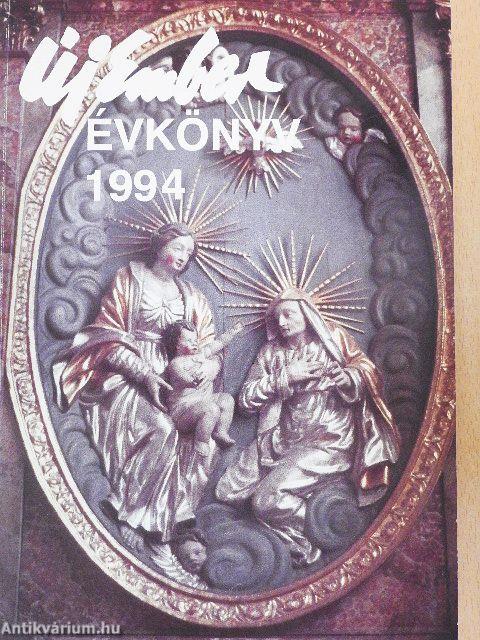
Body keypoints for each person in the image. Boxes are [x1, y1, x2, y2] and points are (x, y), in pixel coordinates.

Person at [53, 223, 220, 551]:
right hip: (129, 375)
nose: (182, 257)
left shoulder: (193, 297)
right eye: (177, 248)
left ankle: (174, 519)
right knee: (160, 428)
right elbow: (108, 336)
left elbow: (212, 347)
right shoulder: (129, 280)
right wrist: (144, 374)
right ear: (160, 246)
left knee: (204, 440)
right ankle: (132, 514)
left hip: (178, 384)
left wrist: (207, 369)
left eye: (188, 252)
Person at [216, 288, 400, 566]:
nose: (282, 322)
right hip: (283, 438)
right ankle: (294, 526)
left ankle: (324, 531)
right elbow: (246, 400)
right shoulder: (272, 352)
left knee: (266, 500)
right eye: (277, 317)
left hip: (329, 439)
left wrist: (348, 377)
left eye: (288, 314)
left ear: (307, 314)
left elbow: (365, 369)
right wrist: (285, 376)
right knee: (227, 491)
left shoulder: (332, 339)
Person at [164, 320, 244, 454]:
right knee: (211, 409)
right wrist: (191, 381)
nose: (194, 343)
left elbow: (218, 343)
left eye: (195, 340)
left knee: (227, 400)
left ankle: (220, 431)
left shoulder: (200, 354)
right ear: (177, 345)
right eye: (189, 341)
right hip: (183, 412)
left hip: (203, 402)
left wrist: (232, 332)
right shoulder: (176, 363)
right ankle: (201, 441)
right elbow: (182, 377)